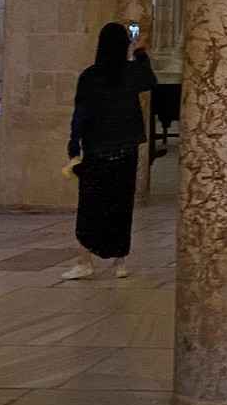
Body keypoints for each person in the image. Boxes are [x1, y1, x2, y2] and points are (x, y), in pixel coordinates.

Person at [62, 22, 157, 280]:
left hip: (97, 151)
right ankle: (119, 263)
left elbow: (80, 113)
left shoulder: (90, 76)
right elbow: (150, 79)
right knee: (120, 206)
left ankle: (85, 260)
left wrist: (74, 143)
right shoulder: (131, 73)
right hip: (125, 152)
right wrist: (139, 51)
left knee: (90, 208)